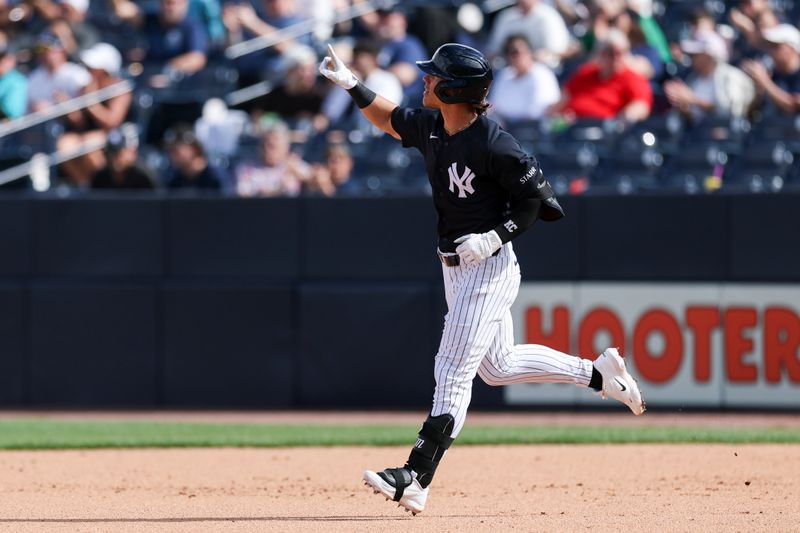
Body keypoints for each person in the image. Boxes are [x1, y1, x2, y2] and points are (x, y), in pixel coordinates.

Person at [319, 42, 646, 515]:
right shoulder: (435, 126)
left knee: (452, 368)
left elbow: (540, 201)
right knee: (498, 368)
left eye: (434, 76)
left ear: (453, 88)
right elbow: (391, 120)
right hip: (455, 267)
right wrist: (353, 84)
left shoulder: (494, 142)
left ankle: (416, 475)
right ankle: (599, 375)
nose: (425, 80)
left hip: (488, 268)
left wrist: (494, 237)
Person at [57, 42, 131, 186]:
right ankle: (84, 186)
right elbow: (79, 122)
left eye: (92, 68)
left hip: (114, 135)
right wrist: (68, 108)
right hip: (86, 135)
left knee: (88, 146)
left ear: (105, 70)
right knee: (63, 145)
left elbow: (111, 123)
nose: (88, 71)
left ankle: (104, 186)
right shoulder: (85, 87)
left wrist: (92, 104)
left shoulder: (120, 89)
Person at [551, 29, 652, 123]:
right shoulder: (586, 72)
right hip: (571, 128)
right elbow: (563, 99)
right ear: (600, 53)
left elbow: (640, 106)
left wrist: (623, 120)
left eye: (621, 52)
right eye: (610, 52)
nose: (616, 57)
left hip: (604, 134)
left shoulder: (632, 78)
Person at [664, 31, 755, 120]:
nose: (692, 59)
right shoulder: (693, 79)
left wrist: (693, 100)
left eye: (695, 55)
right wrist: (684, 108)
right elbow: (694, 121)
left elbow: (731, 113)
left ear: (709, 56)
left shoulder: (732, 76)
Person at [488, 34, 560, 123]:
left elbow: (536, 112)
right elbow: (494, 106)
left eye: (516, 52)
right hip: (504, 126)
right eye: (509, 52)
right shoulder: (504, 74)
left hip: (531, 129)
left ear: (530, 52)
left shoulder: (542, 75)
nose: (512, 56)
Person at [233, 120, 311, 197]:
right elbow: (244, 199)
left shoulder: (296, 167)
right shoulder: (246, 169)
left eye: (272, 146)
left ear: (285, 148)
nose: (267, 150)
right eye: (263, 145)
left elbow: (316, 185)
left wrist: (300, 176)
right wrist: (278, 191)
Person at [485, 0, 570, 68]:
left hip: (544, 69)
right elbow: (493, 50)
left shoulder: (549, 17)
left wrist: (529, 59)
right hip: (510, 70)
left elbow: (557, 51)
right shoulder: (506, 17)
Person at [741, 24, 800, 116]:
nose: (771, 50)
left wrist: (765, 81)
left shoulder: (768, 79)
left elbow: (792, 107)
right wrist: (759, 90)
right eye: (770, 46)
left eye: (776, 46)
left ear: (791, 48)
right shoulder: (773, 74)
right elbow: (752, 115)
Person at [26, 32, 90, 113]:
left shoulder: (78, 74)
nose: (45, 54)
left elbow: (86, 111)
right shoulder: (33, 78)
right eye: (40, 50)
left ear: (61, 50)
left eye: (48, 49)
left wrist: (64, 105)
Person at [162, 123, 226, 190]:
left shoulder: (215, 176)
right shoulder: (174, 181)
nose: (172, 156)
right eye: (170, 152)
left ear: (193, 148)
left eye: (176, 151)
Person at [91, 126, 156, 189]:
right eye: (111, 154)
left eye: (119, 154)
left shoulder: (144, 176)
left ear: (131, 152)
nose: (114, 159)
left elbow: (157, 197)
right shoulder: (100, 177)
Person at [0, 42, 27, 121]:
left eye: (3, 59)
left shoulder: (17, 81)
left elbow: (13, 114)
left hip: (13, 128)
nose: (1, 63)